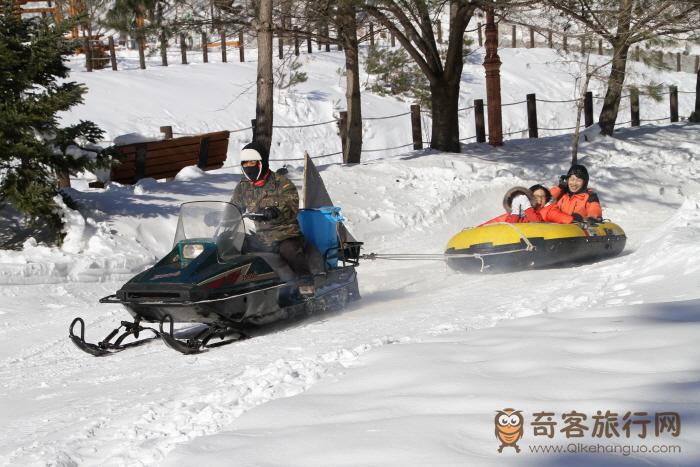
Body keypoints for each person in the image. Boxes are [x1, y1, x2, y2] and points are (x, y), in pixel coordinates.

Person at [230, 141, 314, 296]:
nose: (249, 166)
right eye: (245, 163)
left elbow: (291, 207)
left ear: (262, 162)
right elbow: (233, 208)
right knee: (231, 244)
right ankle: (230, 286)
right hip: (261, 238)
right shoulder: (243, 187)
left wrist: (275, 211)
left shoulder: (281, 183)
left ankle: (305, 284)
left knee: (289, 250)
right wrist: (221, 215)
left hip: (285, 235)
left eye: (253, 162)